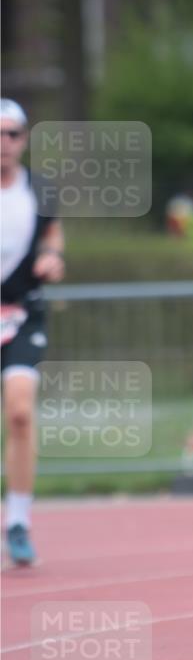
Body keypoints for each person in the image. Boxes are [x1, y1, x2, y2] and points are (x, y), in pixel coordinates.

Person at [1, 99, 65, 565]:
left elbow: (53, 239)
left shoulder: (39, 190)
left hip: (21, 314)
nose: (4, 144)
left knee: (20, 411)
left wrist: (53, 259)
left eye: (13, 135)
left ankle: (18, 520)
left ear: (24, 140)